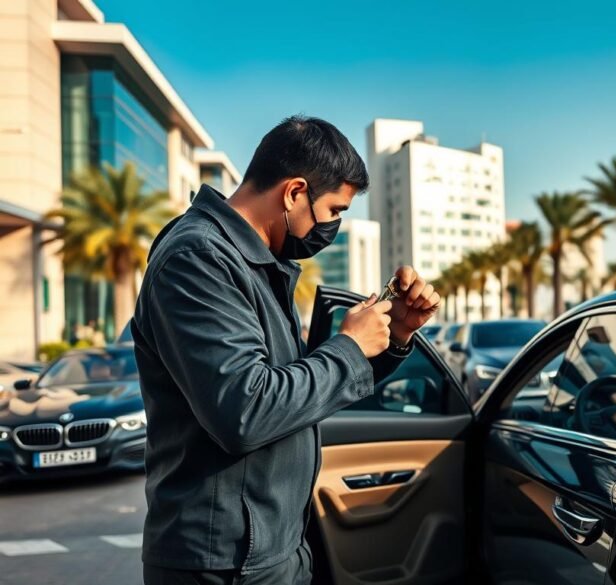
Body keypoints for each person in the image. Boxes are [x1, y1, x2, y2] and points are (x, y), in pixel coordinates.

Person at [132, 115, 440, 584]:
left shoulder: (255, 263)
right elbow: (245, 409)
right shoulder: (197, 259)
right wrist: (350, 347)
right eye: (334, 210)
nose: (332, 226)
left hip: (269, 547)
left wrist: (392, 337)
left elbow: (293, 393)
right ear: (295, 193)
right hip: (225, 562)